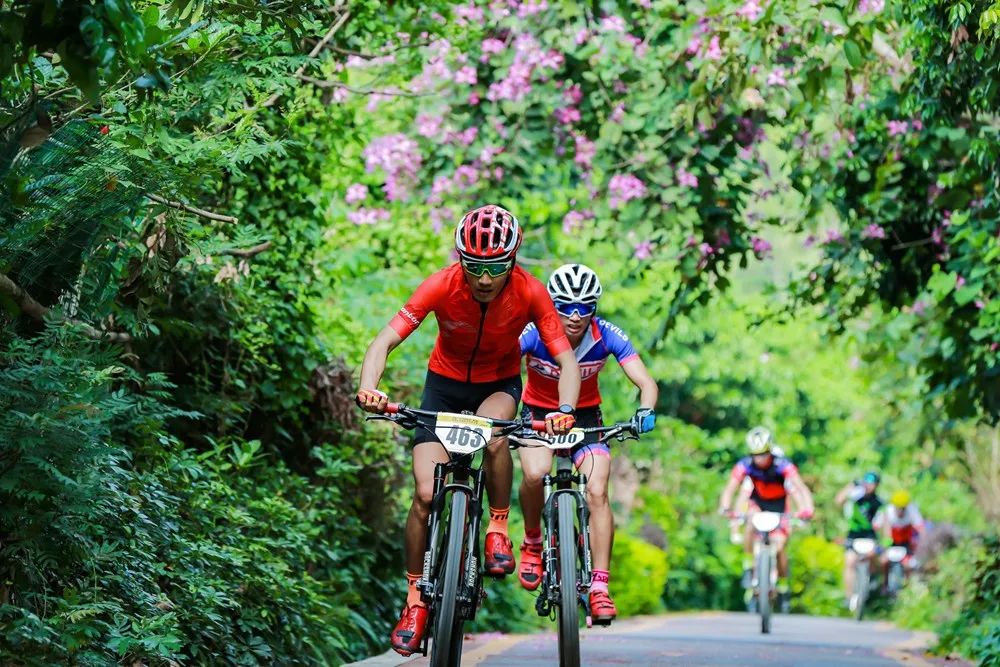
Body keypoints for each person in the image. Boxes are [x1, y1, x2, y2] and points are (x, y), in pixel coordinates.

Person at [356, 205, 582, 656]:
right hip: (442, 388)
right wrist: (369, 387)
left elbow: (566, 360)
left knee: (496, 436)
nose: (484, 278)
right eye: (474, 266)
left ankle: (497, 526)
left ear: (512, 261)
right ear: (461, 260)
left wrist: (565, 409)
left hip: (498, 385)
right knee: (425, 495)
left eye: (495, 267)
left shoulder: (531, 292)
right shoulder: (442, 284)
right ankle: (415, 599)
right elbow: (385, 340)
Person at [516, 263, 658, 623]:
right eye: (565, 306)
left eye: (585, 306)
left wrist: (645, 411)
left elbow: (645, 382)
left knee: (597, 491)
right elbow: (500, 364)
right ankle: (532, 541)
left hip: (585, 419)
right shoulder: (533, 331)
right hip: (538, 415)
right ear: (552, 304)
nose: (576, 315)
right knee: (534, 473)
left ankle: (599, 586)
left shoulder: (607, 334)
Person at [717, 427, 814, 613]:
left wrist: (807, 509)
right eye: (755, 455)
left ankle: (783, 587)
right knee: (749, 524)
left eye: (763, 454)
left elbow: (800, 489)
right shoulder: (745, 464)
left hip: (779, 506)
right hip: (758, 503)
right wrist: (726, 507)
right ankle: (748, 566)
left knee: (780, 547)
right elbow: (730, 488)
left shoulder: (782, 464)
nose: (759, 459)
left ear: (770, 451)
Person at [835, 471, 884, 610]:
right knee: (849, 562)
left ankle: (872, 580)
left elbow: (883, 523)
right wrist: (851, 485)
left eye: (872, 483)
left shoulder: (879, 502)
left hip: (870, 536)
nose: (869, 486)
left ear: (877, 485)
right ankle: (848, 596)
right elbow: (838, 501)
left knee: (875, 556)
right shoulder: (855, 496)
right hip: (854, 535)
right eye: (867, 482)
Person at [874, 490, 924, 572]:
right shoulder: (887, 511)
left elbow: (921, 528)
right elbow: (876, 527)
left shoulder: (912, 510)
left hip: (906, 542)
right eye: (898, 507)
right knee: (883, 561)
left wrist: (920, 545)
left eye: (903, 508)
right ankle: (884, 578)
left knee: (908, 565)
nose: (900, 510)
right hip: (890, 542)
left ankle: (907, 579)